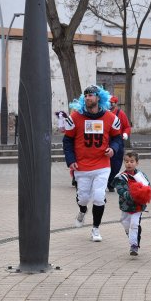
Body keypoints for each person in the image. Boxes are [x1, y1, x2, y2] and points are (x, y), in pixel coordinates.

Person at [63, 85, 122, 242]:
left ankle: (95, 229)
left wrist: (113, 149)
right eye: (86, 95)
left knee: (99, 196)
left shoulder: (111, 118)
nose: (88, 97)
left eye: (91, 95)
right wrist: (71, 160)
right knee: (83, 198)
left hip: (102, 165)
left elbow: (117, 138)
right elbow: (67, 140)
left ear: (99, 97)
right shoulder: (75, 117)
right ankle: (82, 210)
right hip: (82, 166)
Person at [111, 151, 151, 256]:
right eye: (126, 161)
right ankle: (134, 235)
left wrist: (144, 194)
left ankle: (134, 246)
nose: (129, 164)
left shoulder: (141, 175)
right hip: (126, 206)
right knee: (125, 224)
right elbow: (120, 190)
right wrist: (132, 195)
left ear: (137, 163)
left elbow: (148, 187)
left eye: (132, 161)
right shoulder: (120, 177)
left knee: (134, 224)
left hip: (138, 205)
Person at [107, 95, 131, 192]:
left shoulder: (120, 113)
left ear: (115, 103)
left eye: (111, 103)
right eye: (108, 102)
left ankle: (111, 181)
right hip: (105, 142)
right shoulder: (102, 113)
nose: (109, 104)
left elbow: (127, 126)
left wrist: (125, 133)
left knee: (116, 165)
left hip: (117, 141)